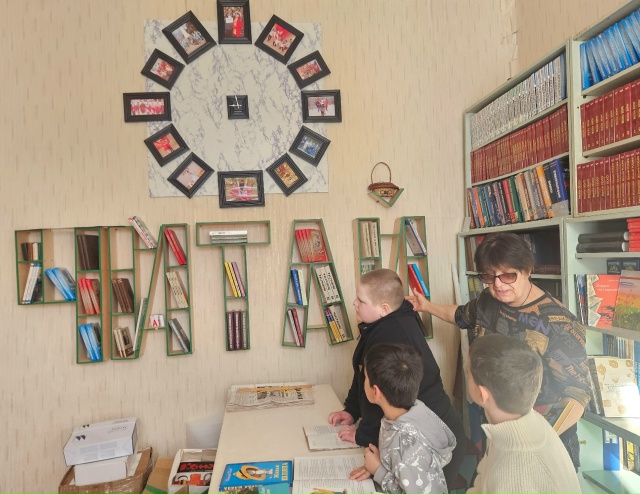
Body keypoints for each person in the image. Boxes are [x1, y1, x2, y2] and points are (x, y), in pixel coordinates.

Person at [406, 232, 590, 468]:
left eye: (508, 275)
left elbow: (577, 392)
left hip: (542, 440)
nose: (498, 285)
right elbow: (462, 315)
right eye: (489, 277)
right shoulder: (488, 300)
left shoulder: (560, 323)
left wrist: (533, 441)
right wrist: (426, 306)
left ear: (527, 270)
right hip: (494, 428)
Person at [328, 268, 467, 489]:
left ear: (384, 308)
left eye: (361, 301)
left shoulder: (391, 335)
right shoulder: (378, 324)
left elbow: (379, 397)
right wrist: (351, 411)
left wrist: (363, 437)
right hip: (407, 435)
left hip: (429, 439)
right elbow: (363, 372)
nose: (354, 303)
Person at [465, 333, 581, 493]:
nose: (466, 377)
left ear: (481, 394)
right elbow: (483, 476)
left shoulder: (515, 476)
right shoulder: (511, 426)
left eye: (468, 374)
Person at [349, 342, 455, 494]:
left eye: (365, 377)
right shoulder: (409, 412)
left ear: (376, 392)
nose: (363, 380)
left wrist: (379, 471)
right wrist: (381, 466)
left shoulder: (407, 447)